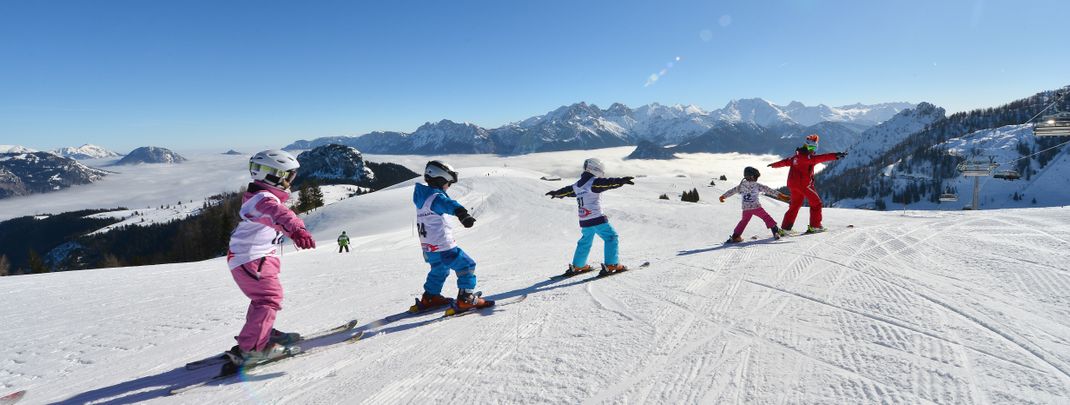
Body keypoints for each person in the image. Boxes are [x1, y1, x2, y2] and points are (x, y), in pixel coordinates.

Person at [225, 149, 316, 365]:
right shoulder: (263, 200)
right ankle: (253, 348)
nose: (291, 181)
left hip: (255, 258)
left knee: (263, 299)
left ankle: (261, 332)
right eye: (289, 176)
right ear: (275, 176)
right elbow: (280, 215)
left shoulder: (260, 197)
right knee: (268, 298)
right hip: (251, 259)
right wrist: (297, 230)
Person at [412, 160, 492, 313]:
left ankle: (430, 297)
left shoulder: (422, 198)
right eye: (448, 183)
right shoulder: (436, 197)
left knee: (439, 269)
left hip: (429, 248)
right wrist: (463, 215)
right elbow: (449, 204)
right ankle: (466, 299)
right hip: (443, 246)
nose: (448, 186)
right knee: (467, 265)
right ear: (441, 179)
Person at [545, 158, 634, 277]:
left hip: (584, 220)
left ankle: (578, 266)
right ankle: (612, 264)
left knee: (585, 241)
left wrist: (556, 193)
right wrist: (621, 181)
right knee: (611, 237)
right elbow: (608, 183)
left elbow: (566, 191)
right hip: (596, 218)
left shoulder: (577, 185)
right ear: (596, 169)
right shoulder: (593, 182)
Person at [767, 134, 847, 234]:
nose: (813, 149)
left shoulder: (796, 156)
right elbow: (823, 157)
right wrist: (836, 155)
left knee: (795, 205)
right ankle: (815, 226)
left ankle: (786, 228)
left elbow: (785, 162)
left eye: (814, 147)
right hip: (804, 185)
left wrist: (774, 165)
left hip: (792, 184)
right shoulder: (809, 158)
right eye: (811, 147)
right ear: (806, 146)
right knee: (816, 203)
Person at [718, 167, 790, 243]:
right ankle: (776, 231)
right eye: (756, 176)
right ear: (752, 176)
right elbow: (769, 190)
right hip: (756, 207)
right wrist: (781, 195)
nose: (756, 178)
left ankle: (735, 236)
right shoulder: (757, 185)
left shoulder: (741, 186)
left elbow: (732, 191)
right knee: (766, 217)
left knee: (743, 221)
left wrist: (723, 196)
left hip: (746, 209)